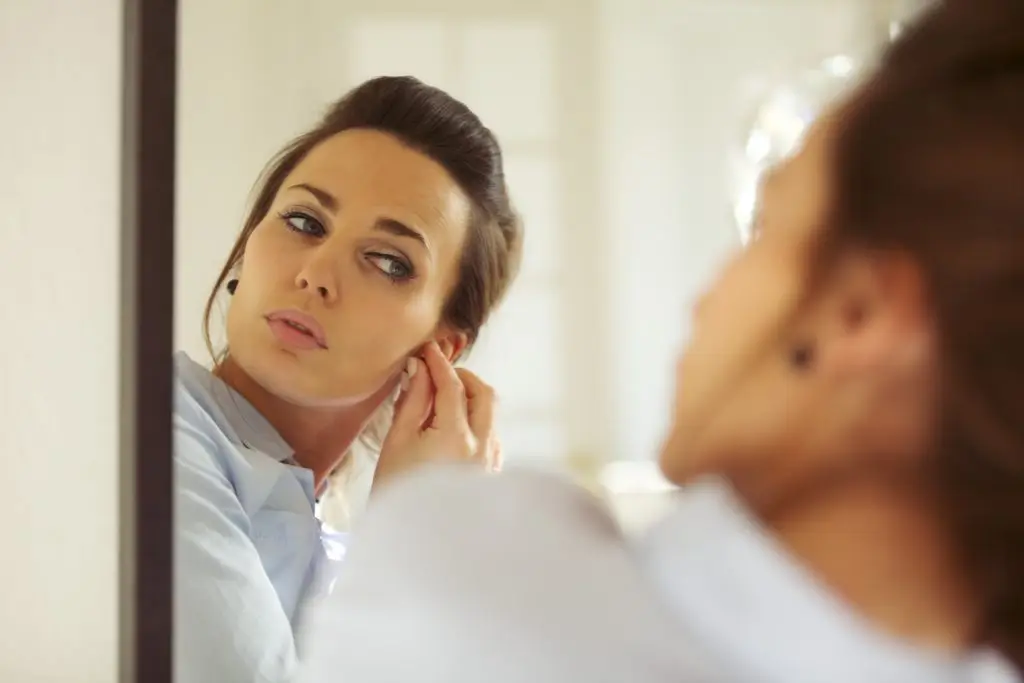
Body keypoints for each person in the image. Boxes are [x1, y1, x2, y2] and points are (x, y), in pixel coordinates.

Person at [299, 2, 1024, 682]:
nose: (704, 296)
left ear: (859, 315)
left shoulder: (468, 578)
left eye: (764, 230)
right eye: (303, 220)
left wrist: (416, 509)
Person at [173, 75, 522, 683]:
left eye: (389, 262)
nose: (317, 273)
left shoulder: (330, 537)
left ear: (440, 348)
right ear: (248, 244)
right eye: (305, 221)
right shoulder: (156, 437)